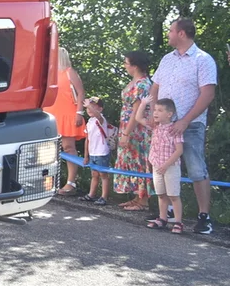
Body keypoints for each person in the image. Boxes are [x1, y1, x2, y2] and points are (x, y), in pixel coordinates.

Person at [149, 18, 218, 234]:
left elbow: (208, 93)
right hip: (164, 127)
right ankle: (168, 212)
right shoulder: (166, 59)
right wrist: (153, 114)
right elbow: (155, 89)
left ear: (181, 34)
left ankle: (204, 216)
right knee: (164, 165)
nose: (168, 34)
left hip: (192, 125)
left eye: (171, 30)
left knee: (196, 168)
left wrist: (185, 120)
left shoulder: (203, 60)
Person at [137, 97, 185, 234]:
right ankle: (162, 218)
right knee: (161, 194)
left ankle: (178, 222)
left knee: (174, 195)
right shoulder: (155, 126)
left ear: (169, 114)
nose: (155, 113)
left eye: (159, 110)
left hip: (170, 166)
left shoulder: (174, 129)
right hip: (157, 166)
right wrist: (143, 104)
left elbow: (179, 150)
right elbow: (138, 118)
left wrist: (166, 164)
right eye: (155, 110)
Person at [114, 51, 153, 210]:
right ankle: (137, 197)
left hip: (136, 129)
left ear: (135, 66)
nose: (124, 66)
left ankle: (143, 201)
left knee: (139, 161)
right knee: (131, 160)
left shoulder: (143, 84)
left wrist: (126, 133)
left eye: (126, 63)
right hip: (127, 126)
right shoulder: (134, 81)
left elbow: (137, 112)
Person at [49, 46, 87, 195]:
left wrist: (79, 112)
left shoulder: (69, 72)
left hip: (68, 113)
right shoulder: (49, 73)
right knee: (49, 149)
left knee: (68, 147)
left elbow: (81, 92)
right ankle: (49, 180)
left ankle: (71, 182)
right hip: (51, 113)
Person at [79, 97, 116, 205]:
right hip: (92, 153)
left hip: (101, 152)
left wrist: (88, 105)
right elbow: (87, 139)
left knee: (103, 175)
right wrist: (86, 156)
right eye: (88, 107)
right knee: (94, 174)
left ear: (100, 109)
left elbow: (98, 116)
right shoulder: (90, 122)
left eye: (93, 106)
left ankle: (104, 197)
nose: (89, 109)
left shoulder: (101, 120)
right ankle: (91, 194)